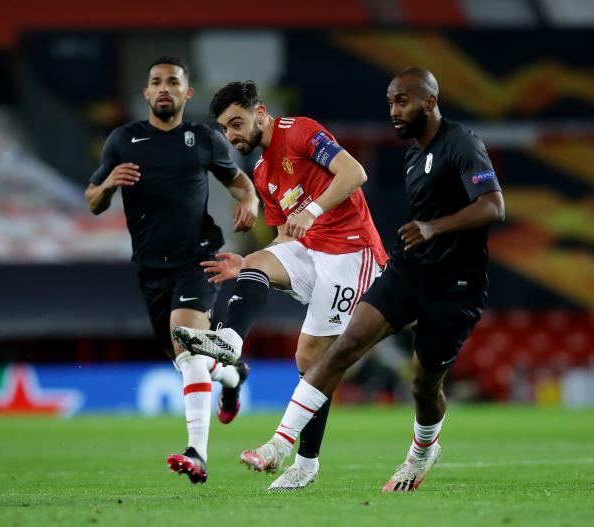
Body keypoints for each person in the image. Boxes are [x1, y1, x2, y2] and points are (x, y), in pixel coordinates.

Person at [219, 68, 505, 493]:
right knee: (339, 350)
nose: (394, 111)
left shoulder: (462, 144)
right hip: (408, 272)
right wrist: (254, 266)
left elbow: (494, 206)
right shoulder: (411, 158)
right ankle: (279, 446)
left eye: (402, 101)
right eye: (390, 102)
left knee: (423, 385)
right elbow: (285, 234)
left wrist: (433, 228)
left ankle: (422, 452)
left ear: (430, 101)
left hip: (451, 285)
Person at [173, 81, 388, 491]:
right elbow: (286, 235)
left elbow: (353, 173)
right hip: (310, 249)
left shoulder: (300, 130)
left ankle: (304, 462)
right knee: (253, 263)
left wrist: (312, 210)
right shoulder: (261, 171)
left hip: (352, 252)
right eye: (225, 129)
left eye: (236, 123)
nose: (232, 135)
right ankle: (231, 341)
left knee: (310, 358)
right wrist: (257, 261)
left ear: (260, 113)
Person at [84, 57, 259, 484]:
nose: (164, 88)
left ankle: (196, 453)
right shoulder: (123, 140)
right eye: (156, 82)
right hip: (150, 269)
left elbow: (238, 181)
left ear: (187, 93)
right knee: (190, 361)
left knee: (188, 343)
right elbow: (92, 199)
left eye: (173, 82)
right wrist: (108, 186)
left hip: (196, 258)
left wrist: (250, 202)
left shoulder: (202, 138)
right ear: (146, 93)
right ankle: (233, 376)